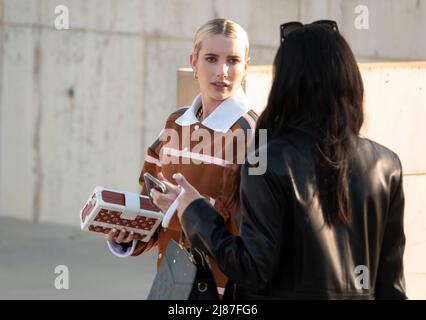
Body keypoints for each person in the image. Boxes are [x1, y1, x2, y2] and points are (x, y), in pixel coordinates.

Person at [162, 22, 407, 299]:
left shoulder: (264, 160)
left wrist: (195, 211)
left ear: (286, 83)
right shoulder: (387, 164)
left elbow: (252, 269)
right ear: (348, 78)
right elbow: (392, 286)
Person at [105, 18, 258, 297]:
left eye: (233, 60)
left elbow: (255, 230)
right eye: (211, 58)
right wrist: (129, 234)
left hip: (224, 291)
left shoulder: (254, 134)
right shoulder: (175, 122)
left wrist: (187, 209)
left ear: (246, 66)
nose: (222, 71)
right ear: (193, 61)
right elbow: (151, 204)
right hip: (172, 285)